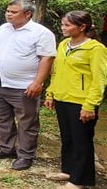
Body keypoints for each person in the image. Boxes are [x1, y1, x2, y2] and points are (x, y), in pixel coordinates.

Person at [0, 0, 56, 170]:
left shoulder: (41, 33)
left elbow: (47, 58)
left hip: (23, 86)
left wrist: (38, 82)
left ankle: (25, 155)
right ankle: (6, 148)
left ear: (28, 14)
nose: (8, 14)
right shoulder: (3, 28)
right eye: (8, 11)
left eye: (14, 12)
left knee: (27, 122)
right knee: (1, 118)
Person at [44, 11, 106, 188]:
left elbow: (99, 79)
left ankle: (80, 180)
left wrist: (90, 105)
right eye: (63, 24)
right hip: (63, 98)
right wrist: (51, 93)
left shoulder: (96, 49)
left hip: (82, 101)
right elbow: (56, 72)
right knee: (68, 138)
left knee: (81, 140)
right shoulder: (64, 44)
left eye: (67, 25)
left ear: (82, 27)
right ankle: (68, 170)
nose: (63, 28)